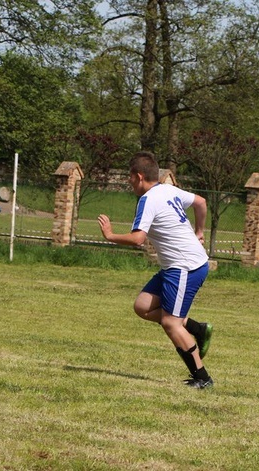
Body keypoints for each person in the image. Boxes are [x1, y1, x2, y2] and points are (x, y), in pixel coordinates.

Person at [97, 151, 214, 389]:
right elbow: (201, 202)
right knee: (142, 306)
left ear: (139, 177)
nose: (129, 183)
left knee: (171, 323)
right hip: (177, 265)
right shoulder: (168, 189)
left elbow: (138, 238)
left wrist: (110, 235)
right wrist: (200, 231)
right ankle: (195, 328)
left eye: (130, 178)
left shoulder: (148, 199)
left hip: (185, 267)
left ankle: (202, 378)